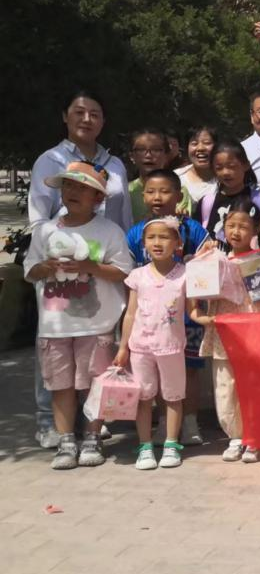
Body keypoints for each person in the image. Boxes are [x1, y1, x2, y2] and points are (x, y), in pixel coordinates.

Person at [24, 162, 133, 469]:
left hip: (96, 323)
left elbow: (123, 271)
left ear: (98, 198)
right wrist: (45, 267)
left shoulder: (109, 231)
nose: (73, 192)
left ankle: (93, 437)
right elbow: (30, 271)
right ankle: (66, 440)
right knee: (60, 385)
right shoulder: (45, 230)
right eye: (69, 185)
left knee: (94, 384)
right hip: (55, 325)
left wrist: (89, 267)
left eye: (83, 188)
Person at [125, 169, 210, 446]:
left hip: (187, 312)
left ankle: (190, 421)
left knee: (189, 370)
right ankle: (164, 424)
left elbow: (208, 262)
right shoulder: (136, 233)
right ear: (143, 196)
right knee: (158, 373)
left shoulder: (192, 229)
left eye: (164, 191)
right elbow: (129, 275)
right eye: (151, 191)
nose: (157, 197)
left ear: (178, 195)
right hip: (150, 319)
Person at [191, 204, 260, 464]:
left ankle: (256, 437)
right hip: (225, 329)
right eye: (231, 226)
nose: (236, 232)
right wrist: (201, 260)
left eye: (242, 226)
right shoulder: (215, 259)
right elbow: (197, 290)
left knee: (255, 385)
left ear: (256, 228)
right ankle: (236, 436)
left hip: (255, 330)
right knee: (225, 385)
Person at [113, 217, 190, 470]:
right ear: (144, 243)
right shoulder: (137, 276)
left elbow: (195, 309)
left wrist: (209, 319)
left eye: (164, 237)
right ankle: (145, 446)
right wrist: (123, 347)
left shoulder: (186, 274)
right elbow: (131, 313)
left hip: (171, 346)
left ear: (177, 243)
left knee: (173, 397)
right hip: (140, 349)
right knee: (144, 398)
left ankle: (171, 444)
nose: (157, 242)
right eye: (151, 238)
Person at [30, 90, 131, 232]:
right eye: (79, 112)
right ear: (65, 116)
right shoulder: (50, 160)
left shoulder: (115, 165)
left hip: (112, 244)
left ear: (103, 121)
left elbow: (125, 219)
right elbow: (39, 221)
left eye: (94, 115)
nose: (87, 119)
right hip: (64, 244)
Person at [193, 140, 260, 241]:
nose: (225, 172)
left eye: (231, 166)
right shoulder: (206, 204)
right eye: (219, 168)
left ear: (246, 165)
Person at [128, 128, 190, 220]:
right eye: (141, 150)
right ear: (132, 156)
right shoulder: (127, 191)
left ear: (166, 155)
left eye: (156, 150)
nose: (148, 155)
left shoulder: (179, 190)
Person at [177, 127, 218, 207]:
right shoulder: (176, 177)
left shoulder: (225, 180)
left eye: (207, 143)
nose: (200, 148)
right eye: (194, 144)